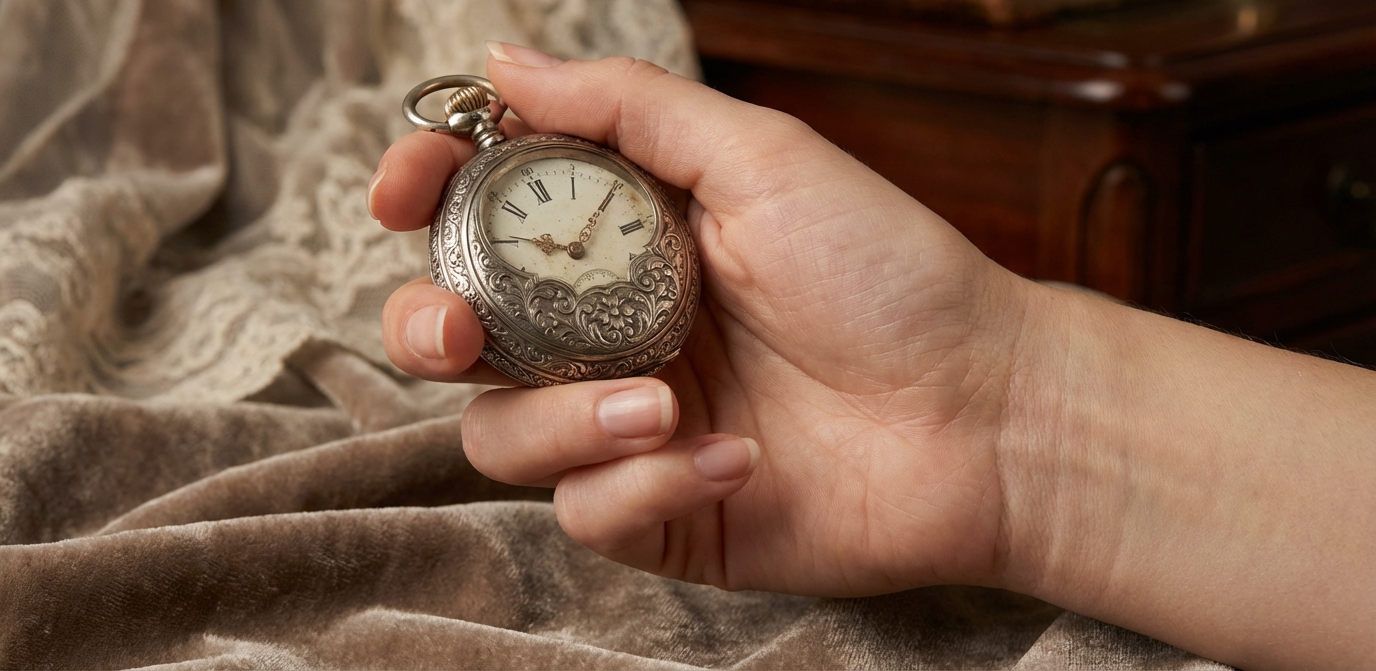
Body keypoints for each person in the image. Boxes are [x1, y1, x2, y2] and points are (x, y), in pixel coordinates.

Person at [367, 42, 1375, 670]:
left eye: (579, 231)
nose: (577, 240)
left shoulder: (567, 179)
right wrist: (1005, 420)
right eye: (555, 240)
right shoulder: (515, 192)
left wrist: (1009, 412)